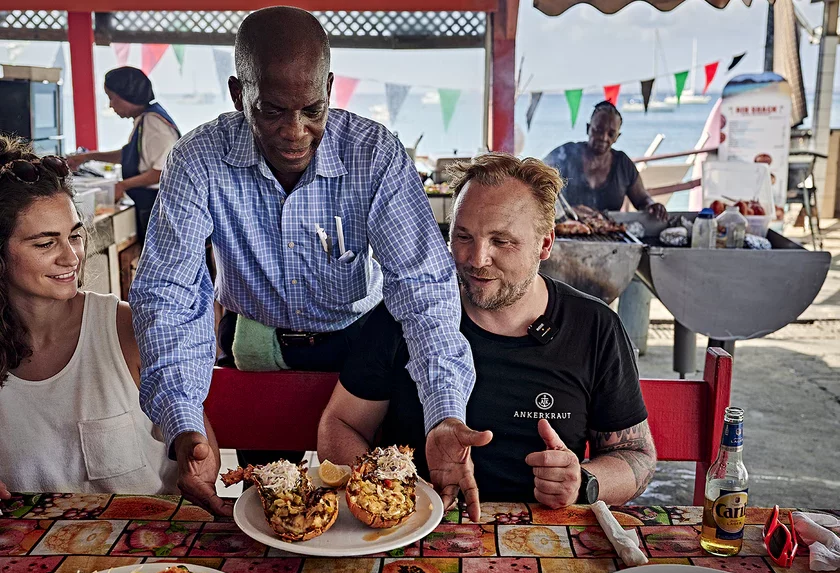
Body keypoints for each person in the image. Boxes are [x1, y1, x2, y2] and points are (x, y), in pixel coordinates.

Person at [129, 7, 478, 518]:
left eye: (312, 109)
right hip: (256, 345)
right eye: (271, 111)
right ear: (237, 94)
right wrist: (183, 419)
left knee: (372, 504)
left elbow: (424, 288)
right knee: (271, 504)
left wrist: (445, 410)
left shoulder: (374, 154)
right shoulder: (198, 158)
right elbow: (170, 293)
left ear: (331, 88)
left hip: (361, 349)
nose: (295, 131)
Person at [318, 153, 657, 510]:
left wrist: (584, 482)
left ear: (545, 244)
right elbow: (340, 424)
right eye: (463, 236)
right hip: (417, 525)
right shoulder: (407, 312)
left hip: (545, 537)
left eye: (502, 241)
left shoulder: (595, 326)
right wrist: (388, 490)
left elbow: (637, 456)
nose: (476, 259)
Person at [0, 135, 213, 499]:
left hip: (148, 547)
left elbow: (199, 444)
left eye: (75, 236)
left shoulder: (130, 330)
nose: (71, 258)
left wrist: (193, 452)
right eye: (45, 243)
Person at [66, 66, 181, 242]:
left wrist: (122, 185)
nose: (111, 105)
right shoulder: (145, 118)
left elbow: (160, 172)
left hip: (157, 206)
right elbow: (128, 155)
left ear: (127, 96)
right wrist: (86, 157)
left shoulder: (153, 123)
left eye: (112, 98)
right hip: (150, 205)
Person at [543, 101, 668, 221]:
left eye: (611, 134)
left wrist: (652, 205)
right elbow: (536, 186)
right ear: (588, 128)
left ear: (617, 137)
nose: (603, 137)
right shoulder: (565, 154)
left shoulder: (623, 164)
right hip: (566, 230)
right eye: (598, 130)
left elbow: (642, 200)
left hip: (609, 233)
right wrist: (565, 210)